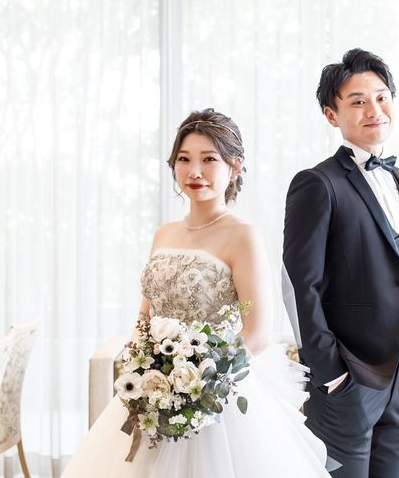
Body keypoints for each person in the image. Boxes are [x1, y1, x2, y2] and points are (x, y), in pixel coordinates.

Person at [62, 108, 331, 478]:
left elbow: (256, 333)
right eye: (184, 159)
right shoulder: (164, 234)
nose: (195, 171)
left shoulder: (242, 236)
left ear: (234, 167)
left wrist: (199, 377)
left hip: (216, 396)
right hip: (154, 389)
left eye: (209, 159)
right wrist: (148, 370)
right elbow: (145, 317)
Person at [283, 49, 399, 478]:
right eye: (358, 101)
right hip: (348, 374)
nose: (374, 110)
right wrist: (329, 373)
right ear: (331, 114)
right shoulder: (317, 184)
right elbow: (301, 285)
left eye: (381, 97)